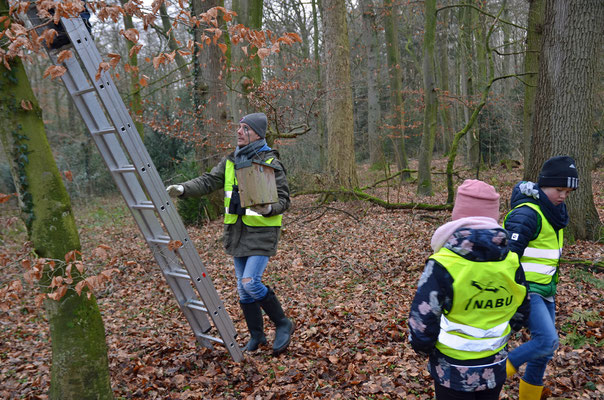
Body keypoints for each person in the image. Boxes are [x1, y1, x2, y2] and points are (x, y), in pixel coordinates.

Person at [166, 112, 294, 356]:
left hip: (262, 234)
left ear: (257, 133)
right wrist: (182, 190)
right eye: (239, 127)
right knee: (242, 288)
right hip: (236, 234)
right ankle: (257, 335)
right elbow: (207, 181)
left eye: (244, 128)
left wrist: (268, 208)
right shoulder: (231, 160)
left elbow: (285, 200)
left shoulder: (270, 162)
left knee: (250, 282)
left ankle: (282, 323)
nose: (238, 131)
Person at [408, 179, 529, 399]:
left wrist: (424, 348)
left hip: (451, 371)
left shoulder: (443, 263)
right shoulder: (511, 261)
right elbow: (522, 311)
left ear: (457, 216)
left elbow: (422, 321)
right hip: (495, 365)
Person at [503, 156, 578, 399]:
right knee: (546, 341)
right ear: (543, 185)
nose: (563, 195)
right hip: (527, 290)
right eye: (559, 189)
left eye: (568, 191)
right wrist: (516, 295)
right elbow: (506, 257)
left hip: (546, 290)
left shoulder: (555, 213)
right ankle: (495, 372)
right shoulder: (527, 214)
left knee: (544, 352)